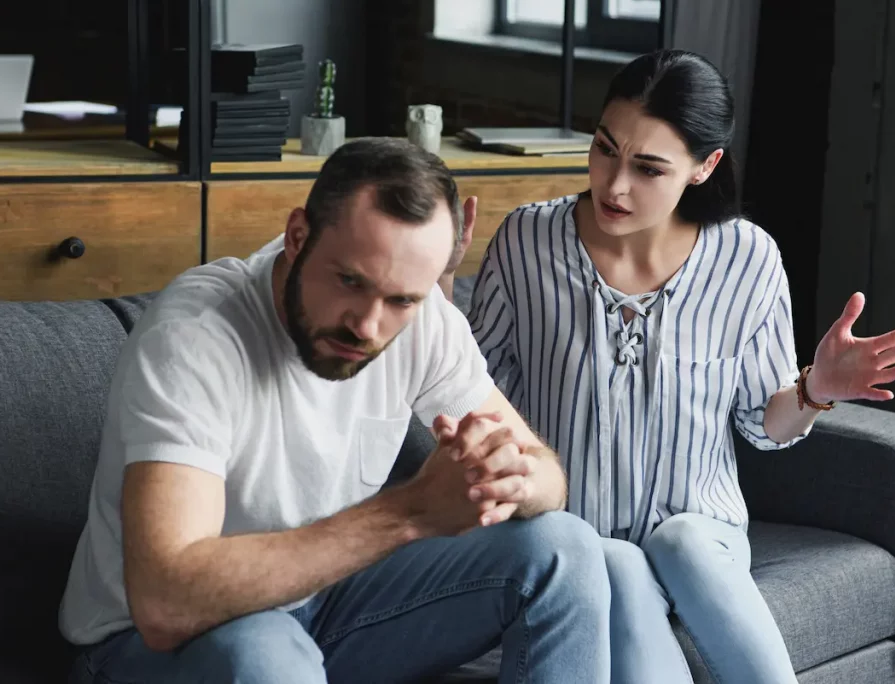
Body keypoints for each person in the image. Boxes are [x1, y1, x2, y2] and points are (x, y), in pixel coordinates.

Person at [58, 138, 612, 684]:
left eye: (401, 299)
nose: (368, 326)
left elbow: (547, 476)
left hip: (322, 606)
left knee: (564, 549)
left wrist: (508, 477)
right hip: (144, 644)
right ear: (297, 237)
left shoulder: (425, 321)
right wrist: (411, 512)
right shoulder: (197, 338)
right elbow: (165, 603)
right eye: (351, 281)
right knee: (268, 651)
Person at [459, 49, 895, 684]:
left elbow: (763, 425)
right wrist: (428, 312)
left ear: (705, 167)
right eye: (604, 149)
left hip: (703, 536)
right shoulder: (526, 242)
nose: (615, 184)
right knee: (614, 560)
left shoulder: (747, 257)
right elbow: (475, 393)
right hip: (568, 535)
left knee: (677, 540)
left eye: (649, 168)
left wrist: (816, 389)